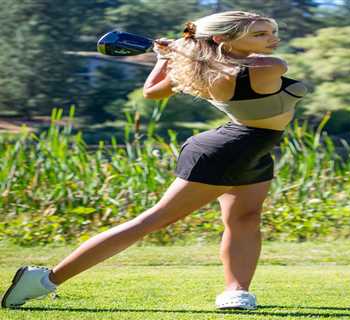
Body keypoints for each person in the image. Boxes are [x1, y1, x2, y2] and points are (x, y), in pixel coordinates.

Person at [1, 10, 309, 310]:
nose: (273, 39)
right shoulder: (265, 66)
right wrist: (178, 53)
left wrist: (168, 57)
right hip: (226, 151)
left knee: (245, 220)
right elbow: (157, 92)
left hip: (253, 149)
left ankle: (236, 291)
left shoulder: (201, 66)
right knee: (150, 222)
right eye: (260, 34)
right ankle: (43, 280)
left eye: (273, 32)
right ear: (221, 39)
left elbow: (152, 91)